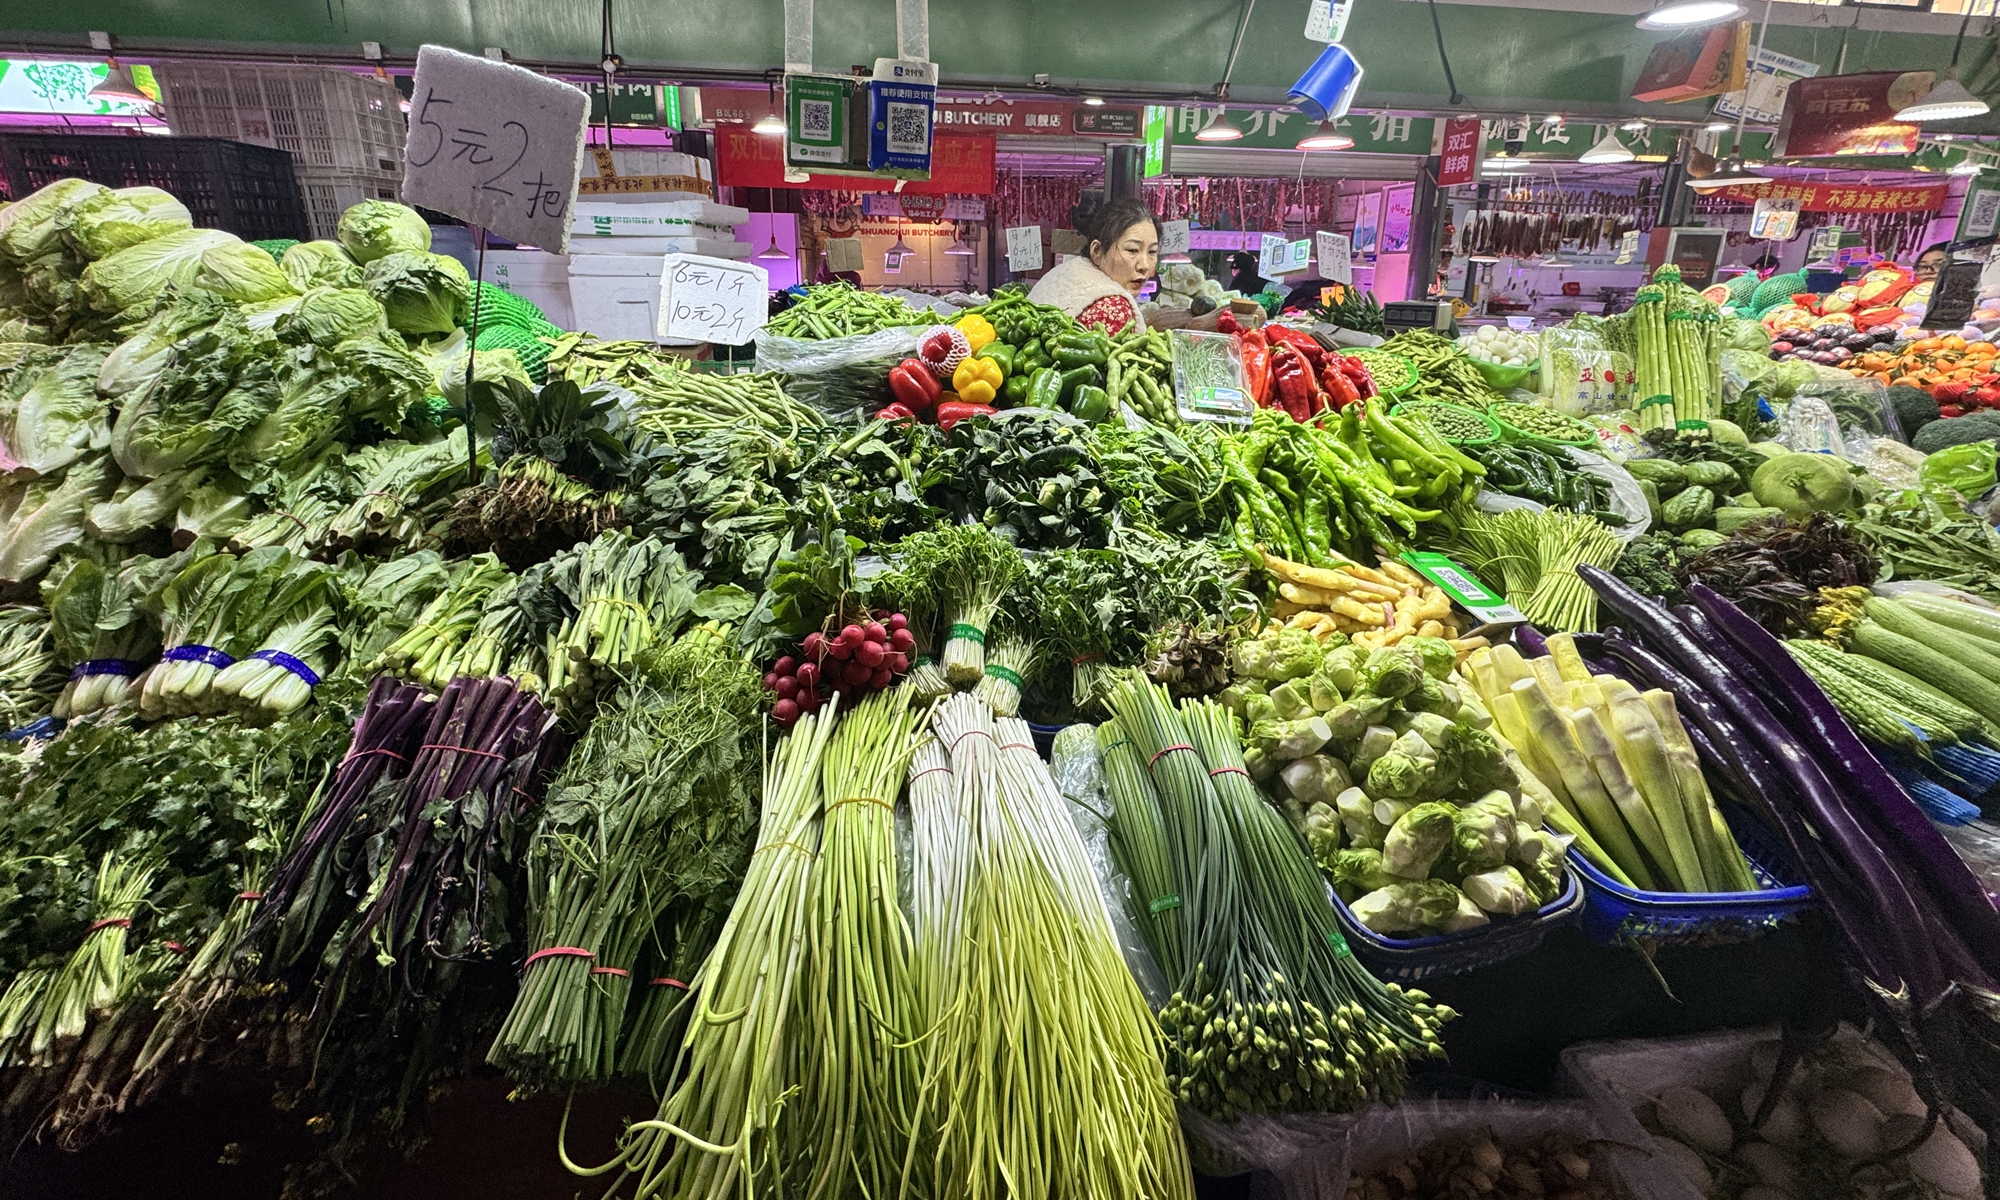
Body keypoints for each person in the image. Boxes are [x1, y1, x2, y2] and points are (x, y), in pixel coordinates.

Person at [1027, 197, 1161, 333]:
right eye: (1132, 250)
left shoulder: (1062, 273)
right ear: (1097, 251)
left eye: (1152, 252)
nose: (1144, 265)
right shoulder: (1113, 307)